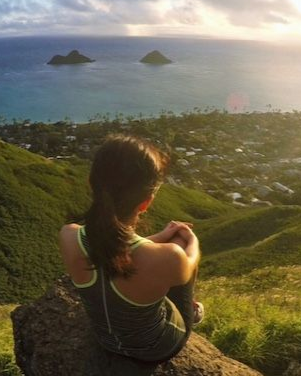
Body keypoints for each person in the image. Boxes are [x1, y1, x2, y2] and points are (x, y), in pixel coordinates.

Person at [58, 134, 203, 363]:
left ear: (90, 183)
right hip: (156, 348)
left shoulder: (69, 235)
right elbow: (189, 261)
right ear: (146, 203)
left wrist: (159, 238)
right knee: (180, 246)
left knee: (166, 257)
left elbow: (116, 250)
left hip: (104, 340)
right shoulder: (170, 257)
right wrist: (190, 239)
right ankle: (191, 311)